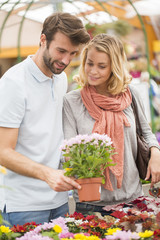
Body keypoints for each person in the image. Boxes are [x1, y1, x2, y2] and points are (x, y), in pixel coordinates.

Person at [0, 12, 90, 226]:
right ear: (43, 40)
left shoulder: (61, 78)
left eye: (73, 53)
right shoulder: (13, 83)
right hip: (24, 206)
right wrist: (48, 174)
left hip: (58, 200)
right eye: (60, 51)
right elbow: (3, 151)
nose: (66, 61)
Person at [63, 33, 160, 216]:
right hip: (91, 205)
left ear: (114, 67)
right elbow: (68, 150)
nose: (92, 71)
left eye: (101, 66)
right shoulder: (71, 101)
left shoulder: (130, 94)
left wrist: (156, 152)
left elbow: (146, 133)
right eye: (89, 63)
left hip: (134, 201)